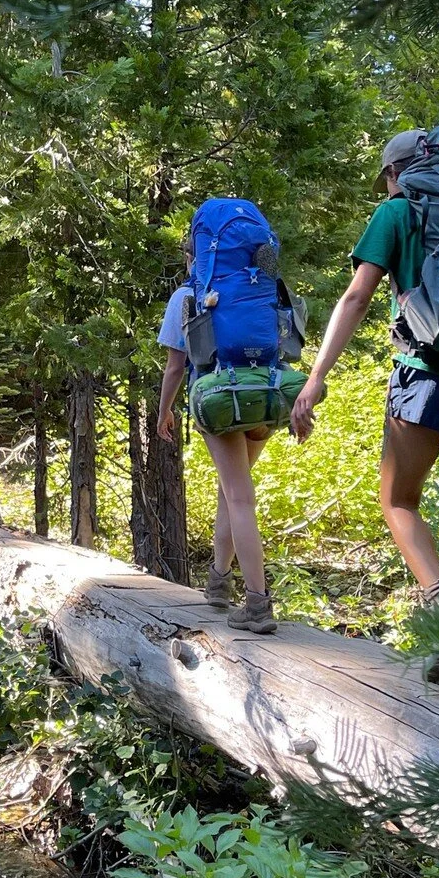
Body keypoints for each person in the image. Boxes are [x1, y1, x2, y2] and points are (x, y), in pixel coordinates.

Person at [289, 129, 439, 698]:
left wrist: (316, 376)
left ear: (395, 172)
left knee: (397, 501)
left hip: (425, 376)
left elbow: (356, 297)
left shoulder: (396, 211)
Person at [156, 230, 278, 635]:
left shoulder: (187, 295)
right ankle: (219, 582)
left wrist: (164, 411)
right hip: (264, 398)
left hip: (221, 399)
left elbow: (176, 366)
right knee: (233, 491)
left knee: (239, 497)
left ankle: (257, 604)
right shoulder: (260, 289)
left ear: (194, 257)